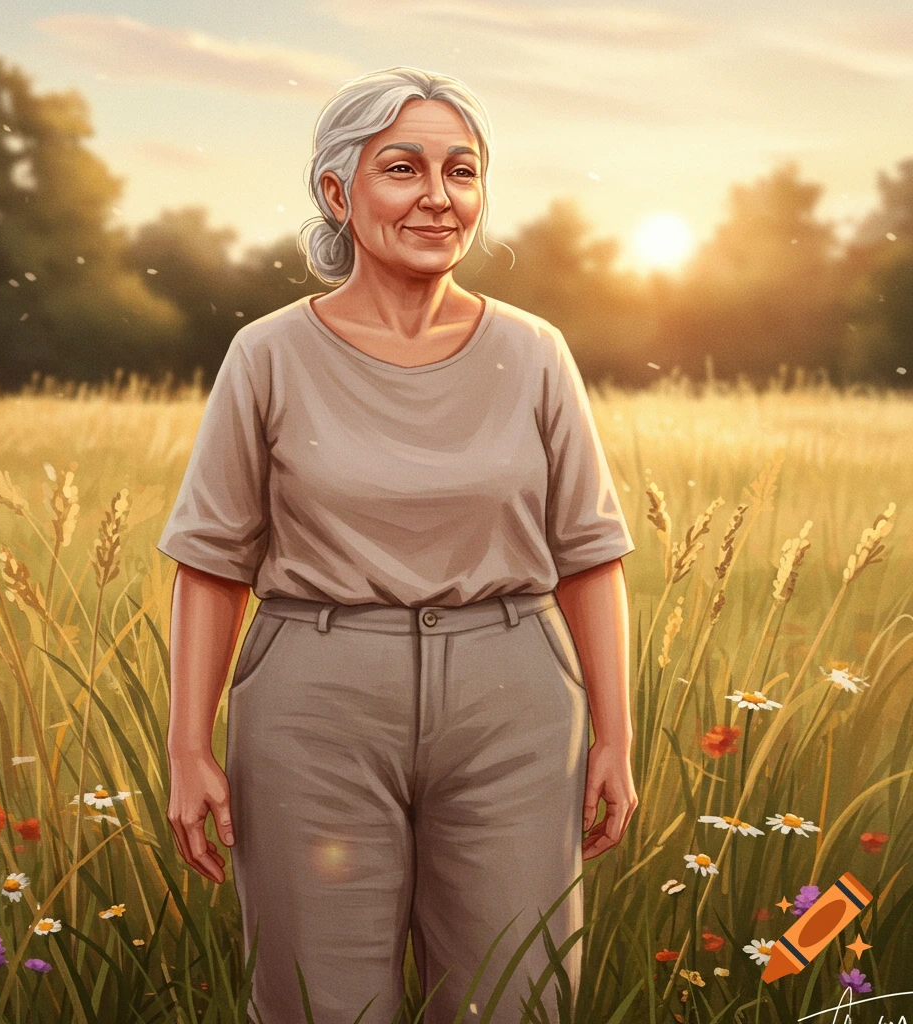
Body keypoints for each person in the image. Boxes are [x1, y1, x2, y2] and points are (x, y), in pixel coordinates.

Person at [158, 66, 638, 1024]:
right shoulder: (268, 355)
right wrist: (186, 746)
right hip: (314, 702)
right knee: (317, 999)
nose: (437, 197)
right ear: (338, 192)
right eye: (402, 167)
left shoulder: (536, 352)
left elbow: (588, 553)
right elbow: (213, 562)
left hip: (514, 697)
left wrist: (617, 737)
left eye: (462, 172)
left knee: (518, 995)